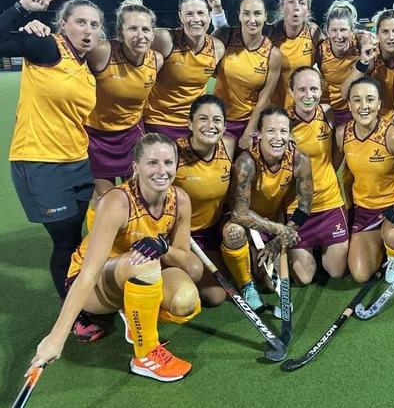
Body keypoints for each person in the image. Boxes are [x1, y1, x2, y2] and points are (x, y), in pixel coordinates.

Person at [29, 133, 201, 382]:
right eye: (152, 163)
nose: (161, 170)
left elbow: (191, 267)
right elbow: (88, 273)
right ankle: (145, 356)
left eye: (168, 163)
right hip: (95, 284)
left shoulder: (180, 200)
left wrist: (163, 246)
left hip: (141, 276)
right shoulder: (117, 202)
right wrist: (56, 338)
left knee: (185, 300)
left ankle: (135, 311)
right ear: (136, 167)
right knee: (145, 262)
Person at [0, 0, 102, 305]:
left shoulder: (86, 68)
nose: (88, 30)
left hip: (78, 164)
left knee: (77, 238)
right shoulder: (47, 47)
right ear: (63, 24)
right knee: (66, 241)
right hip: (39, 163)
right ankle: (73, 309)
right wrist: (21, 9)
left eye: (95, 24)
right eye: (81, 22)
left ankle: (85, 298)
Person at [219, 106, 313, 309]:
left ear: (290, 134)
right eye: (270, 131)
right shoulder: (246, 162)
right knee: (233, 233)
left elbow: (304, 207)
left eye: (283, 131)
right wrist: (279, 229)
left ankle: (250, 264)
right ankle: (246, 285)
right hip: (242, 223)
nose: (277, 138)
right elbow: (239, 213)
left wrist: (278, 241)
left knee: (273, 284)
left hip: (271, 225)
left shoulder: (299, 160)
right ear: (258, 134)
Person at [335, 77, 394, 284]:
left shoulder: (393, 136)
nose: (363, 106)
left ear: (379, 104)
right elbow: (330, 170)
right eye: (357, 100)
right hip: (364, 210)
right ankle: (382, 246)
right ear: (349, 104)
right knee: (360, 274)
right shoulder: (342, 134)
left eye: (370, 100)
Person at [83, 0, 164, 200]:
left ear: (153, 33)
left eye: (145, 29)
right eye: (132, 29)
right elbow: (68, 48)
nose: (140, 35)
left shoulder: (157, 61)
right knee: (106, 200)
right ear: (120, 32)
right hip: (97, 138)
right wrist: (39, 29)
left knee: (138, 197)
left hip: (132, 136)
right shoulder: (102, 53)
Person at [286, 67, 348, 284]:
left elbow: (336, 154)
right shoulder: (283, 123)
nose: (308, 95)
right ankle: (308, 249)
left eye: (314, 88)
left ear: (321, 89)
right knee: (304, 277)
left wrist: (328, 171)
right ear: (291, 91)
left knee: (337, 271)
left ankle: (320, 247)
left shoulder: (327, 112)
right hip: (297, 207)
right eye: (301, 89)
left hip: (329, 202)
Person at [174, 95, 235, 305]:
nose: (211, 126)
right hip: (181, 235)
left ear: (225, 125)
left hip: (212, 231)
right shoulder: (175, 153)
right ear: (190, 123)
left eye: (217, 120)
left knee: (219, 293)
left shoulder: (228, 145)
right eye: (203, 119)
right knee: (214, 296)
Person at [144, 0, 226, 140]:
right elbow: (131, 44)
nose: (196, 19)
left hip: (195, 125)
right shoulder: (164, 39)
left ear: (209, 16)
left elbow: (231, 38)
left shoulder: (217, 48)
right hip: (159, 122)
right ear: (180, 17)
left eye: (201, 13)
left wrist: (219, 10)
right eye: (189, 14)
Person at [213, 0, 282, 149]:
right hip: (218, 121)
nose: (252, 20)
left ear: (265, 16)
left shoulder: (273, 54)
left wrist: (249, 132)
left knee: (245, 169)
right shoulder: (226, 37)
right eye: (246, 13)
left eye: (257, 13)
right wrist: (216, 8)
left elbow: (264, 99)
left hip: (249, 122)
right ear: (239, 15)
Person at [342, 6, 394, 129]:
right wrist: (363, 62)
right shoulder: (372, 55)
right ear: (377, 35)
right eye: (385, 31)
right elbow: (345, 92)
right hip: (375, 117)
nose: (391, 37)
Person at [318, 0, 365, 128]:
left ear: (352, 30)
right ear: (327, 31)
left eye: (343, 30)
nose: (338, 36)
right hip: (328, 112)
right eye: (333, 30)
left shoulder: (360, 44)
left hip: (354, 110)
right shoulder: (321, 50)